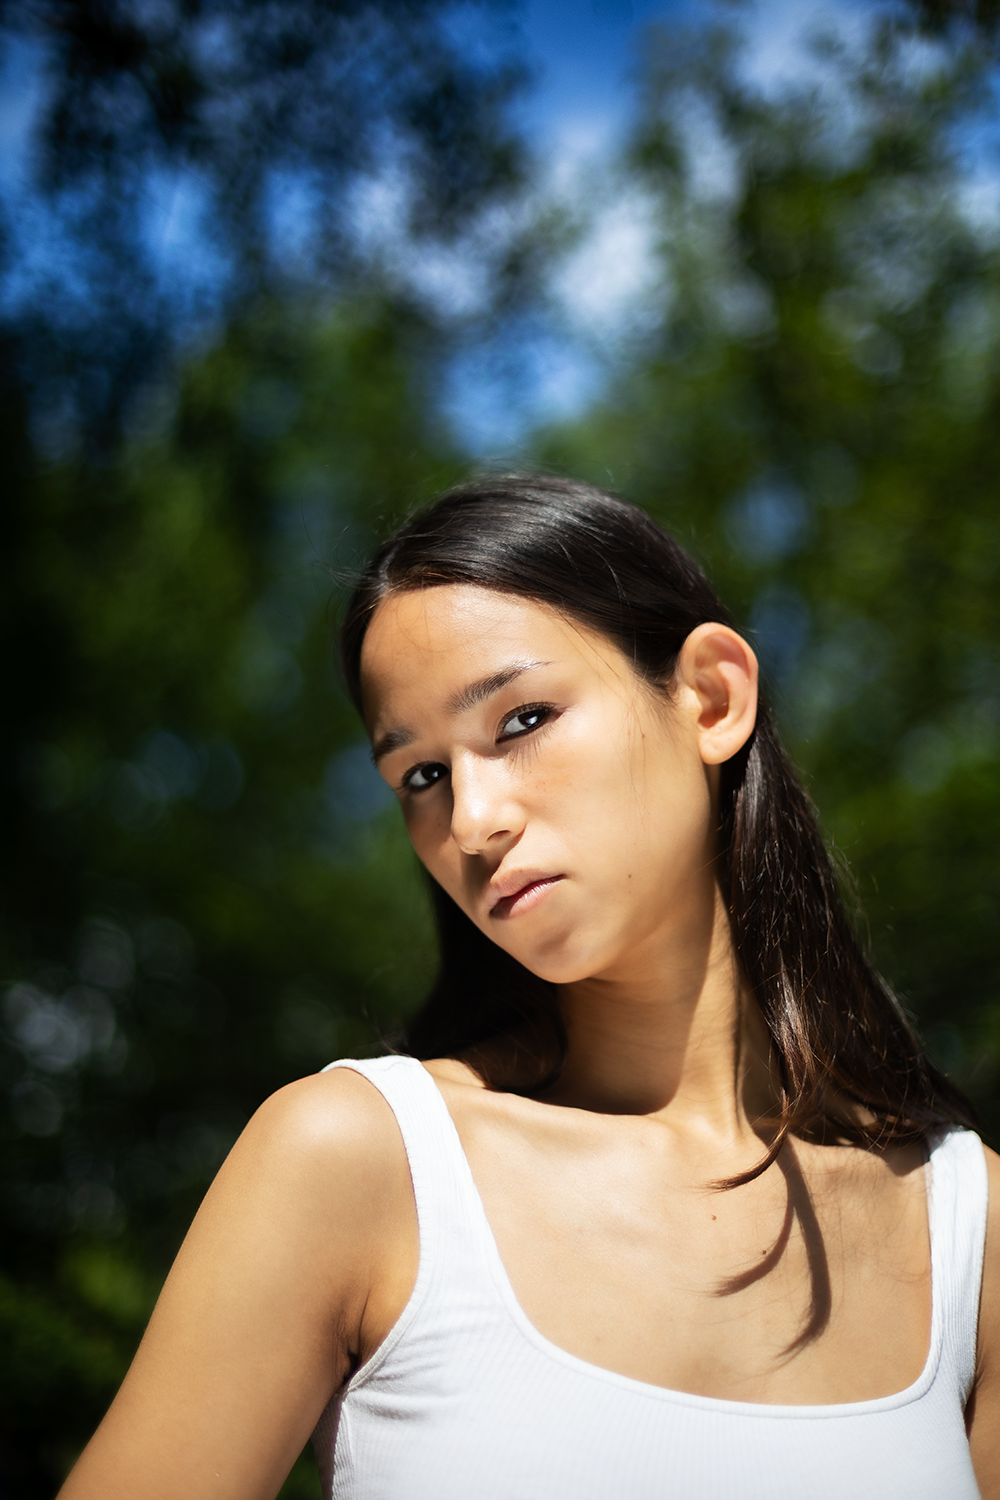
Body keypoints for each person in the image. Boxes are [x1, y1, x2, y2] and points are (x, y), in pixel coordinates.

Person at [60, 475, 1000, 1500]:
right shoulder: (359, 1161)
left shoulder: (967, 1227)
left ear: (712, 698)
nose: (470, 821)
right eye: (419, 776)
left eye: (521, 720)